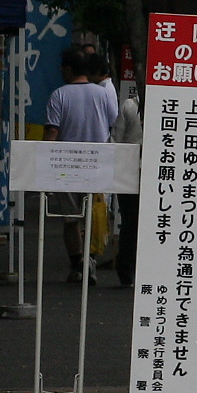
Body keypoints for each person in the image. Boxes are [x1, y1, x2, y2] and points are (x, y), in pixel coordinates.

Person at [43, 48, 117, 282]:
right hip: (97, 163)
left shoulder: (59, 95)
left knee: (71, 218)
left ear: (68, 69)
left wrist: (43, 162)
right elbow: (112, 123)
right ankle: (90, 261)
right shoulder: (103, 94)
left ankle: (78, 265)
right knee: (94, 216)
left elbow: (52, 130)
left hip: (66, 164)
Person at [107, 56, 143, 287]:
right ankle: (137, 269)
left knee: (130, 223)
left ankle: (126, 270)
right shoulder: (170, 109)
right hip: (155, 175)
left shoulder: (130, 106)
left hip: (130, 173)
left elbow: (116, 142)